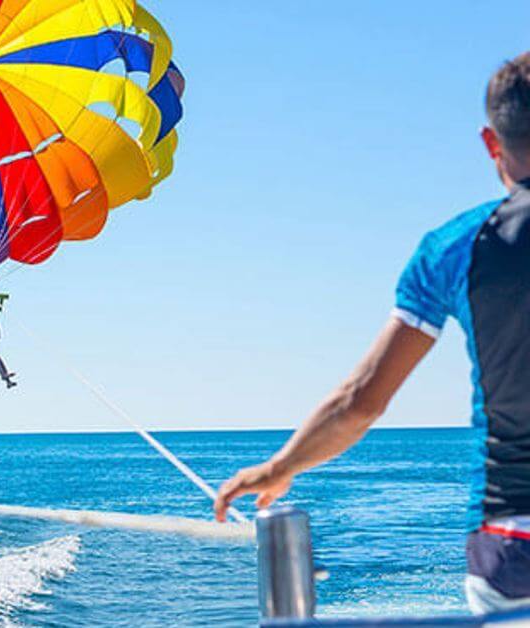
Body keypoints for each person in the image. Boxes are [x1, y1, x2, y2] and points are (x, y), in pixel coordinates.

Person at [214, 53, 530, 615]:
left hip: (512, 548)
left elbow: (360, 401)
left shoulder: (455, 248)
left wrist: (278, 468)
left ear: (491, 142)